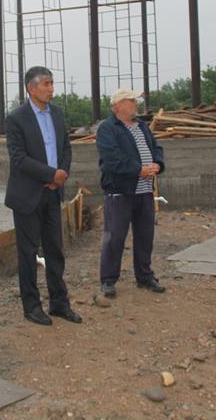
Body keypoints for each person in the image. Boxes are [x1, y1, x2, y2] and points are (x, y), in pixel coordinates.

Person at [4, 66, 82, 325]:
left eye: (51, 83)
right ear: (31, 88)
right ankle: (32, 307)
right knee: (28, 253)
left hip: (53, 193)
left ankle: (59, 304)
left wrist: (62, 174)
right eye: (46, 84)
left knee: (55, 250)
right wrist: (50, 174)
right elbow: (18, 158)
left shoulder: (57, 114)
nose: (51, 89)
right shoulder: (16, 118)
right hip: (27, 195)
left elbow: (66, 148)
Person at [95, 88, 167, 298]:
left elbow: (156, 148)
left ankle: (145, 277)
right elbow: (112, 159)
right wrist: (138, 170)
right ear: (118, 105)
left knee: (145, 236)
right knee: (114, 237)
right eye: (132, 101)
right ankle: (108, 280)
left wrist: (157, 164)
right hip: (120, 192)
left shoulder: (142, 126)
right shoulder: (107, 129)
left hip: (144, 191)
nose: (136, 104)